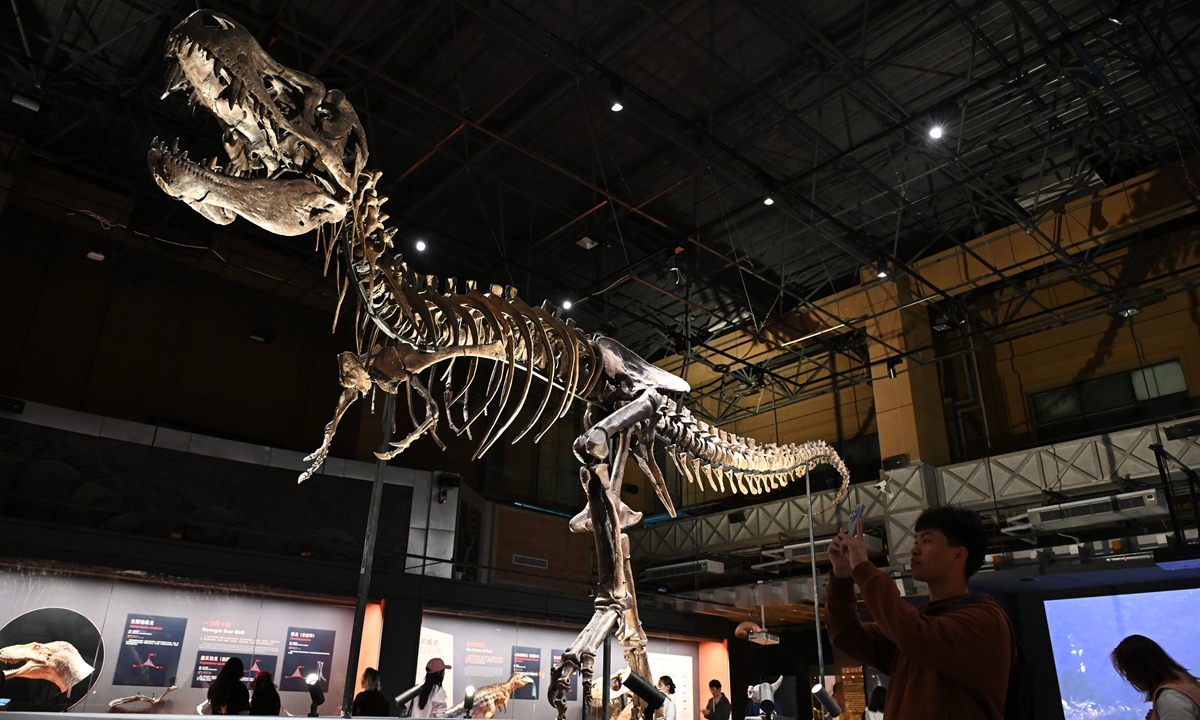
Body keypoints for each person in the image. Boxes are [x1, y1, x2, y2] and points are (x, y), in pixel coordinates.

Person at [826, 505, 1014, 720]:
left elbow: (912, 632)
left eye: (926, 541)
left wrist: (862, 567)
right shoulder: (925, 624)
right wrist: (842, 575)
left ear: (959, 554)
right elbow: (847, 636)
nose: (914, 549)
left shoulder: (983, 620)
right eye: (916, 541)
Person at [1111, 634, 1200, 720]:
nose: (1129, 678)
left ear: (1141, 669)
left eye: (1129, 671)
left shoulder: (1170, 698)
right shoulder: (1186, 683)